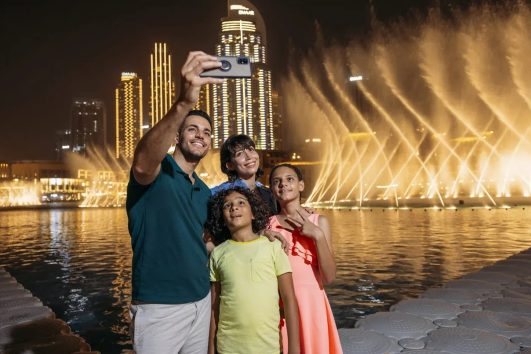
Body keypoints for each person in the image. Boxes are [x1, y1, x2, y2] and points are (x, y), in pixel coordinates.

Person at [126, 51, 223, 354]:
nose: (200, 136)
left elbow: (207, 242)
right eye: (192, 129)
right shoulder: (155, 173)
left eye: (207, 133)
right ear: (178, 136)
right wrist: (184, 104)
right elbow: (142, 162)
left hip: (200, 300)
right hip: (160, 308)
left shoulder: (206, 191)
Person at [206, 187, 300, 354]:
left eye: (241, 203)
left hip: (267, 347)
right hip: (228, 347)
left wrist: (294, 349)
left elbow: (289, 300)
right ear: (222, 217)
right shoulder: (218, 254)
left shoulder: (273, 247)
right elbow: (215, 308)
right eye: (227, 206)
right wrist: (211, 350)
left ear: (254, 213)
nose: (234, 207)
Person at [269, 163, 343, 354]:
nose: (283, 184)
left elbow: (329, 277)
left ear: (301, 185)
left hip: (311, 305)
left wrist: (317, 235)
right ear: (272, 190)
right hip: (279, 306)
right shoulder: (268, 225)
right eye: (277, 181)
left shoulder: (319, 222)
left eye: (289, 179)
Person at [211, 134, 277, 214]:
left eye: (251, 149)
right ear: (230, 165)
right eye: (239, 154)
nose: (249, 156)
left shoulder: (267, 192)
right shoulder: (219, 194)